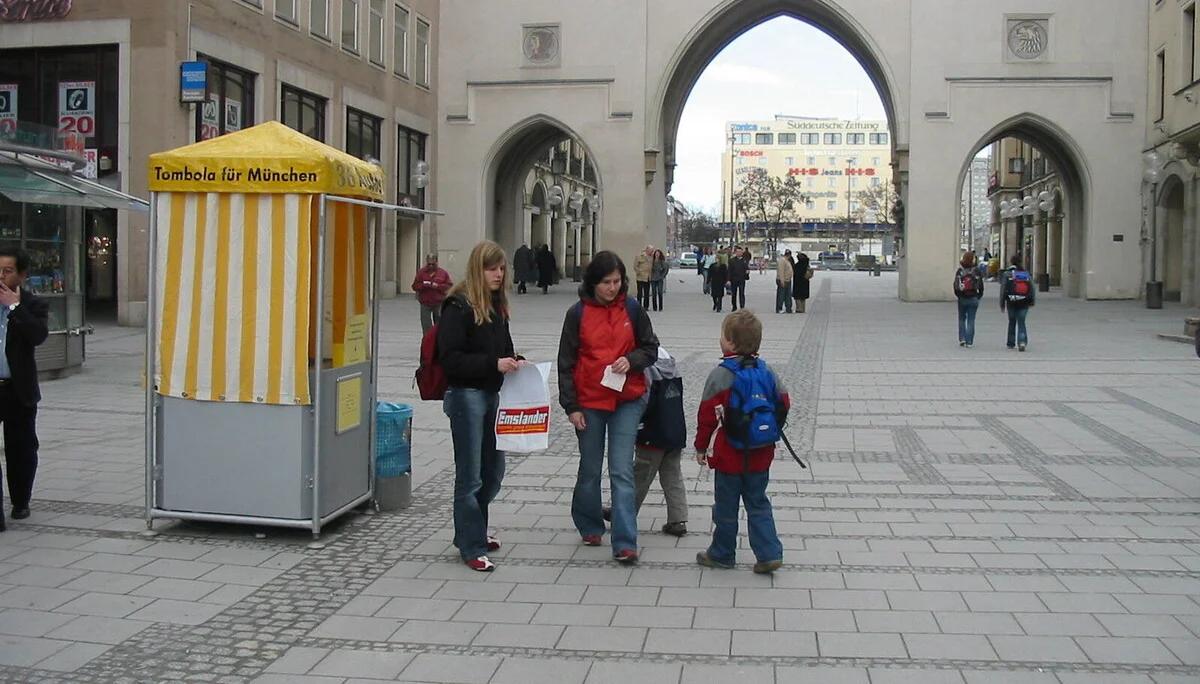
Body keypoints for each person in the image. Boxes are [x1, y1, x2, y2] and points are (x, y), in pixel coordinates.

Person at [558, 251, 660, 564]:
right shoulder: (577, 314)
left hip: (626, 399)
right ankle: (589, 523)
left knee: (621, 470)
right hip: (589, 401)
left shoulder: (632, 308)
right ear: (593, 282)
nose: (612, 288)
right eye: (606, 282)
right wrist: (571, 406)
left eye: (617, 281)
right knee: (590, 468)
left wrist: (632, 361)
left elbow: (651, 348)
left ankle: (626, 541)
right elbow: (566, 363)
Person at [437, 241, 520, 571]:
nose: (499, 274)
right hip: (466, 396)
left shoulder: (497, 305)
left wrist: (516, 361)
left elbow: (505, 347)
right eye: (492, 268)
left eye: (501, 268)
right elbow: (451, 360)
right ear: (478, 269)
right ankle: (471, 545)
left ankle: (474, 532)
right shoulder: (457, 306)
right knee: (470, 475)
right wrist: (493, 364)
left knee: (492, 471)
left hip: (491, 395)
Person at [694, 310, 790, 573]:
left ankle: (722, 553)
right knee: (758, 501)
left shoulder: (721, 375)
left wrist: (701, 446)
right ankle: (769, 553)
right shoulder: (767, 370)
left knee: (725, 506)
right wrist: (767, 432)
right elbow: (784, 403)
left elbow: (706, 417)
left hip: (729, 455)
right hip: (760, 453)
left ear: (730, 343)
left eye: (723, 336)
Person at [0, 246, 49, 532]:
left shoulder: (32, 305)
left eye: (7, 271)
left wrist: (14, 307)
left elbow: (38, 335)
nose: (2, 276)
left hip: (17, 390)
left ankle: (20, 500)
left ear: (21, 275)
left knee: (21, 450)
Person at [999, 254, 1036, 351]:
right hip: (1024, 301)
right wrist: (1032, 301)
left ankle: (1011, 342)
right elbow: (1032, 288)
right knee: (1021, 322)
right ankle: (1022, 342)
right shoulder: (1025, 273)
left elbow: (1003, 289)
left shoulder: (1007, 274)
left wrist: (1002, 303)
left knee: (1012, 321)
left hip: (1011, 301)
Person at [412, 254, 453, 333]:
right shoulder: (421, 272)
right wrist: (424, 285)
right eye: (429, 264)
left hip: (438, 303)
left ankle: (438, 342)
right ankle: (428, 341)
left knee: (439, 326)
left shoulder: (442, 273)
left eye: (433, 264)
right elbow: (414, 286)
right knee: (426, 326)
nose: (431, 266)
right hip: (425, 303)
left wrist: (438, 286)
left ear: (436, 262)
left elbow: (449, 286)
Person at [953, 251, 985, 348]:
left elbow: (955, 285)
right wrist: (979, 296)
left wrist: (959, 295)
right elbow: (981, 286)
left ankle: (962, 339)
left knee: (962, 319)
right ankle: (969, 342)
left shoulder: (960, 271)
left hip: (962, 297)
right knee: (971, 320)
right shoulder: (977, 271)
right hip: (973, 297)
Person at [727, 246, 748, 311]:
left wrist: (747, 272)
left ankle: (742, 306)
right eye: (737, 252)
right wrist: (728, 280)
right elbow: (729, 271)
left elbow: (747, 269)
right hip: (734, 279)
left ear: (742, 253)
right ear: (735, 252)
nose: (739, 253)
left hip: (741, 279)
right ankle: (734, 306)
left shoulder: (744, 261)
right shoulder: (732, 261)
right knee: (734, 294)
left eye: (740, 252)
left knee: (741, 293)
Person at [775, 249, 794, 314]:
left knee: (788, 295)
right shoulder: (782, 261)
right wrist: (782, 280)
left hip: (788, 280)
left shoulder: (787, 261)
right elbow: (781, 271)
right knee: (781, 295)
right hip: (783, 280)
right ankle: (779, 308)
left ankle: (788, 308)